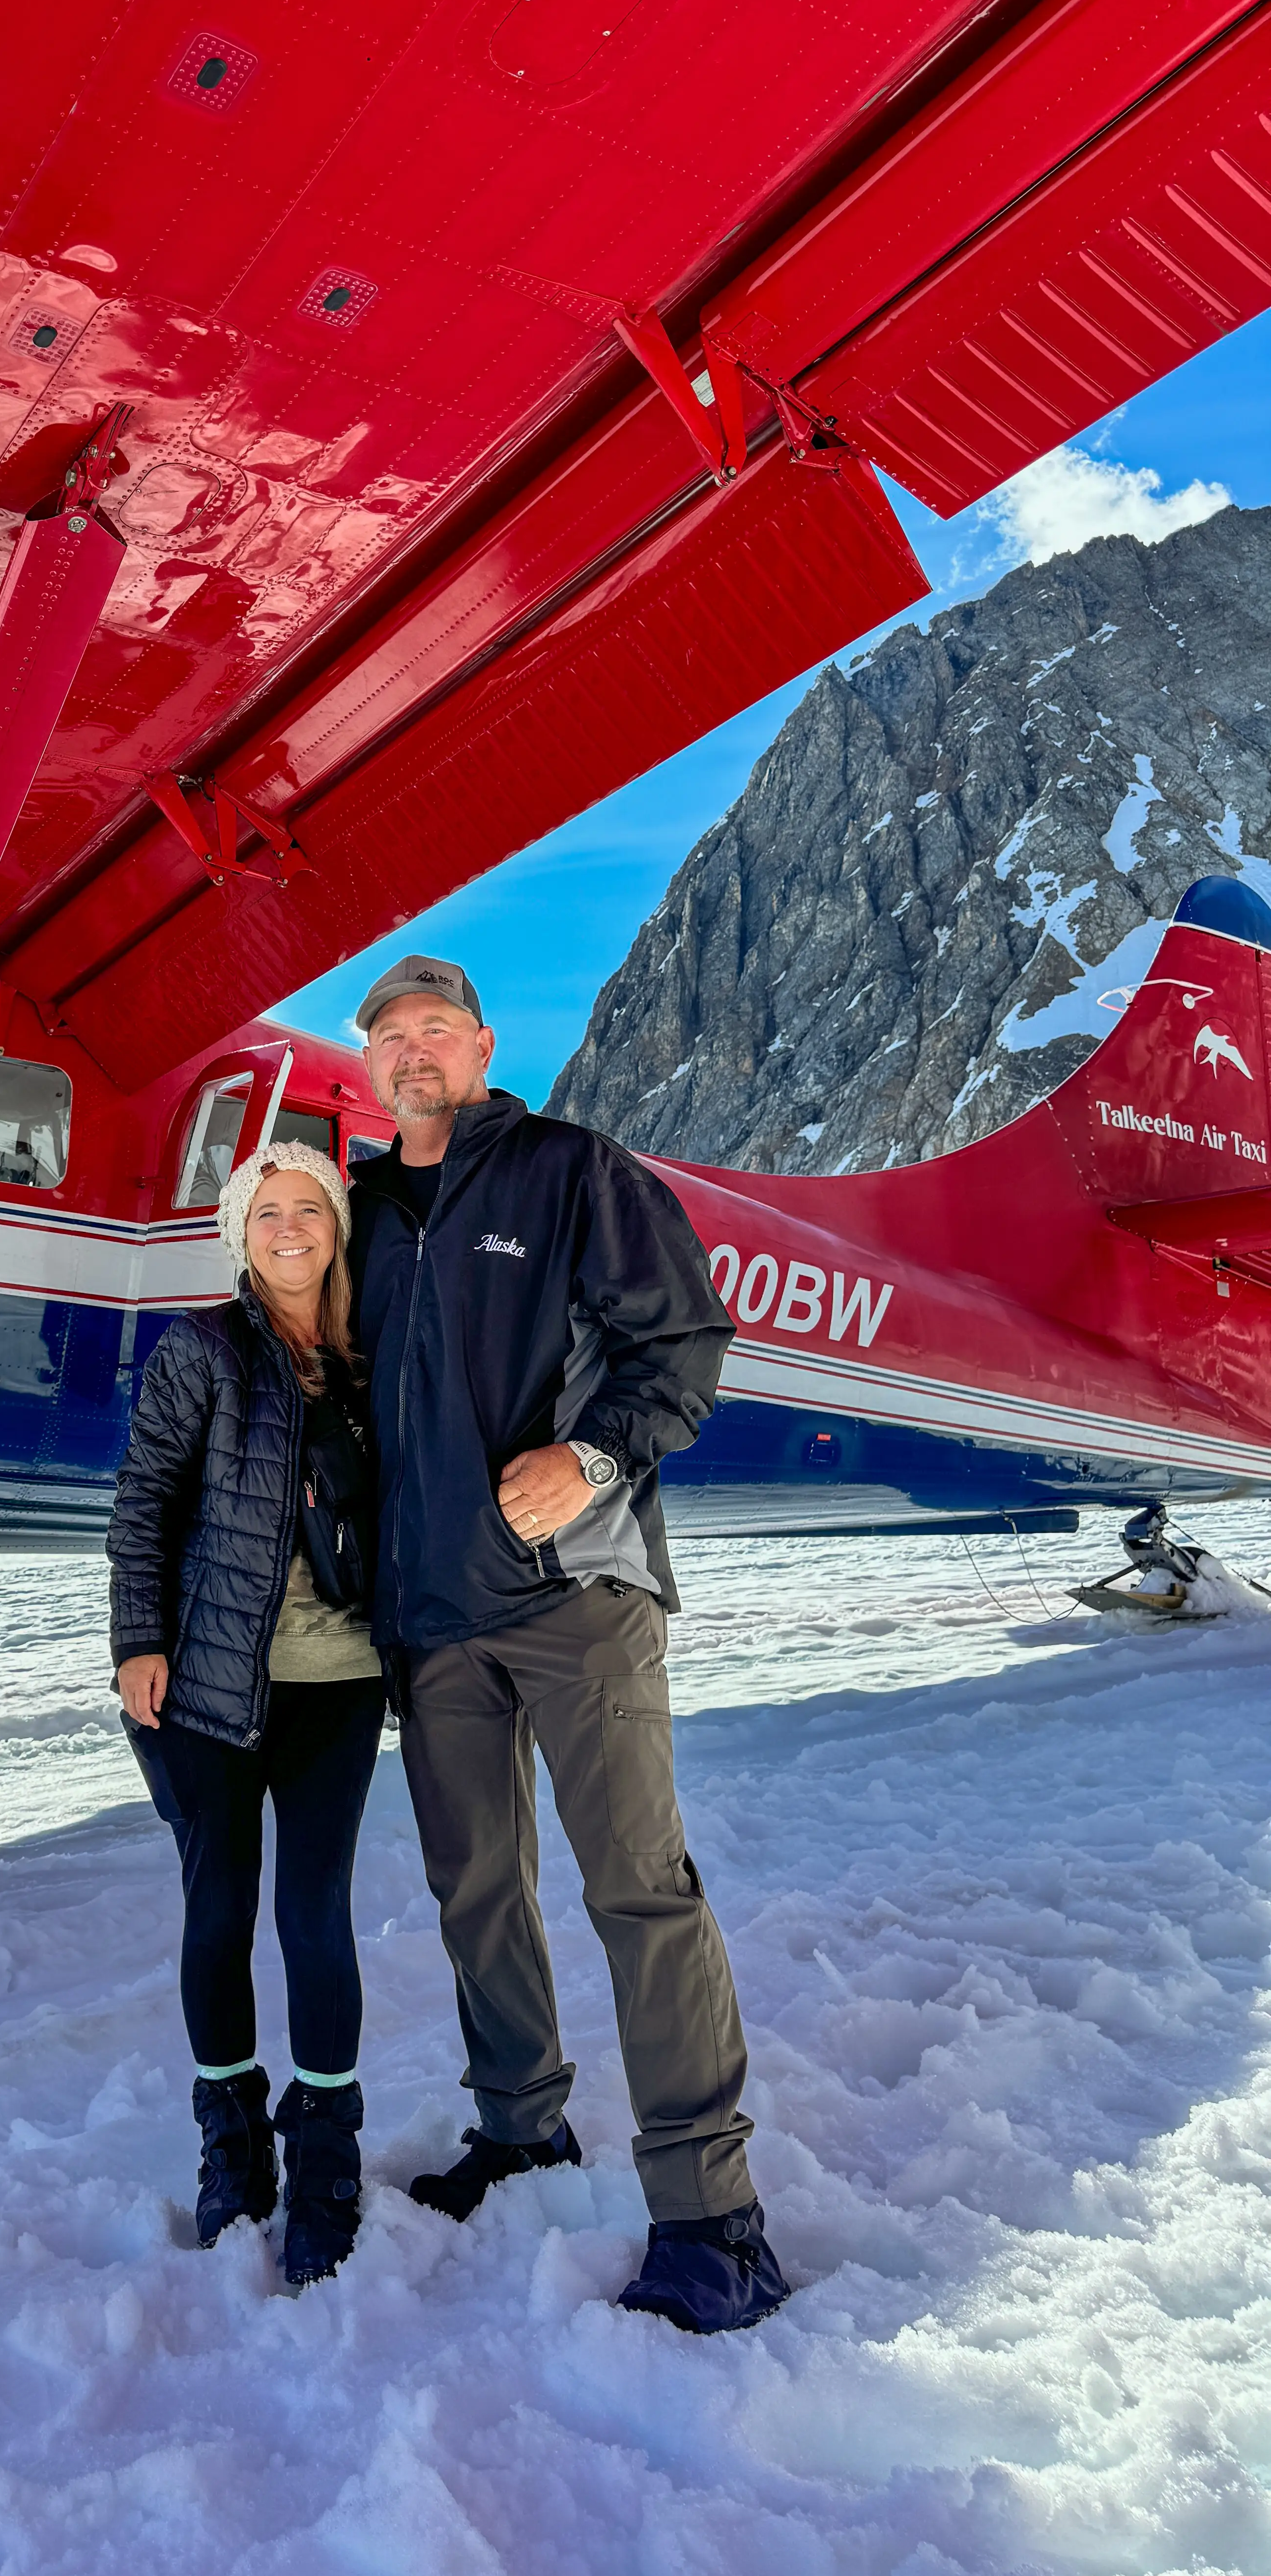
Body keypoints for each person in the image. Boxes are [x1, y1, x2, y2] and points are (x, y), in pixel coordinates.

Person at [347, 954, 790, 2334]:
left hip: (573, 1602)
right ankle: (521, 2132)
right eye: (389, 1037)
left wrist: (590, 1460)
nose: (413, 1053)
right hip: (431, 1623)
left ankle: (714, 2219)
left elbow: (684, 1345)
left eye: (435, 1030)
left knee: (637, 1892)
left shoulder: (570, 1171)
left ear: (482, 1045)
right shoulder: (359, 1215)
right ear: (370, 1067)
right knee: (475, 1888)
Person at [107, 1140, 387, 2285]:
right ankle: (233, 2146)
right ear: (240, 1231)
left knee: (315, 1912)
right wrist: (138, 1642)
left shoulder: (376, 1360)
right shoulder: (203, 1350)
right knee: (217, 1910)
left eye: (307, 1207)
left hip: (341, 1681)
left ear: (334, 1226)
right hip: (207, 1689)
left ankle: (324, 2155)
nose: (288, 1227)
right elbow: (144, 1502)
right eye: (266, 1211)